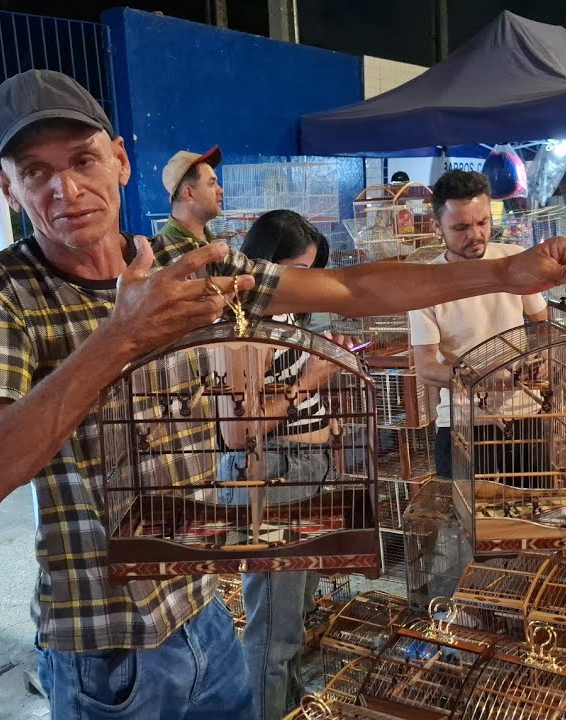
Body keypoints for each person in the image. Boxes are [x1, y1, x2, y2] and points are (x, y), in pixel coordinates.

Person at [0, 69, 566, 720]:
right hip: (105, 643)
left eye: (82, 159)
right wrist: (118, 337)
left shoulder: (188, 270)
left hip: (202, 607)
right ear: (6, 186)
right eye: (34, 170)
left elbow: (352, 289)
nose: (64, 188)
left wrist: (506, 272)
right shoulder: (1, 292)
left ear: (118, 160)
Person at [217, 210, 330, 720]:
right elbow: (237, 431)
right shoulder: (247, 323)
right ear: (265, 266)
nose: (306, 282)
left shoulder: (286, 316)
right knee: (273, 629)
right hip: (271, 474)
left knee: (297, 613)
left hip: (302, 470)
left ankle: (289, 704)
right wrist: (310, 382)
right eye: (298, 270)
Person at [407, 170, 550, 483]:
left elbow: (543, 327)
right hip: (462, 423)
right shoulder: (424, 284)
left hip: (524, 414)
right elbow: (426, 368)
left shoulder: (513, 261)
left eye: (483, 222)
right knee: (462, 525)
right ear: (436, 227)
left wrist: (540, 361)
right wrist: (483, 380)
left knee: (536, 516)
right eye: (461, 227)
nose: (476, 234)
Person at [155, 146, 225, 245]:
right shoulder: (164, 251)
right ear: (189, 193)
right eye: (211, 183)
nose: (221, 190)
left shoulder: (208, 238)